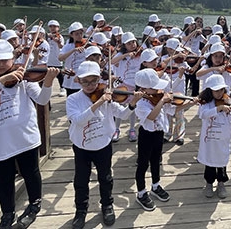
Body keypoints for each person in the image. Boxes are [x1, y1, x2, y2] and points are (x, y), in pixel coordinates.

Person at [0, 39, 59, 228]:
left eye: (4, 60)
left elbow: (42, 100)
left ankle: (34, 205)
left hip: (25, 136)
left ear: (13, 58)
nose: (0, 65)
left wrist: (48, 83)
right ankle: (8, 213)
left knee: (31, 172)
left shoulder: (23, 78)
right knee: (4, 178)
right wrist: (0, 81)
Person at [66, 61, 143, 228]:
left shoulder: (107, 98)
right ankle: (81, 210)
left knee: (106, 178)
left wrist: (132, 103)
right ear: (78, 81)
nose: (90, 85)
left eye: (93, 81)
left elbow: (123, 115)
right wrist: (99, 102)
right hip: (82, 146)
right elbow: (78, 120)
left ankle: (107, 205)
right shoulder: (73, 99)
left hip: (103, 145)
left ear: (99, 80)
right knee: (81, 180)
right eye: (85, 81)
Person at [133, 69, 194, 211]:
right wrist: (161, 101)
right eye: (155, 87)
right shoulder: (141, 103)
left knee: (156, 161)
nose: (159, 90)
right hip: (146, 135)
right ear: (143, 89)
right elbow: (151, 117)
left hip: (158, 134)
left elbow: (172, 110)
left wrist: (191, 103)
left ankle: (155, 185)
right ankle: (141, 193)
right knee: (143, 164)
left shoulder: (158, 97)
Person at [110, 32, 142, 142]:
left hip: (136, 85)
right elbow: (112, 61)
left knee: (132, 108)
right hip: (124, 84)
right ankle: (116, 129)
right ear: (124, 45)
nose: (132, 45)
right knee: (120, 107)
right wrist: (125, 55)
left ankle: (132, 129)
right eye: (129, 43)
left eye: (133, 42)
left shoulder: (140, 54)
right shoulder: (121, 55)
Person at [58, 22, 87, 96]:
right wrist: (73, 50)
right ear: (71, 35)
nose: (80, 36)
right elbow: (60, 58)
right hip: (70, 76)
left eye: (81, 33)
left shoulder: (86, 44)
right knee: (71, 96)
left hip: (82, 75)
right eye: (77, 34)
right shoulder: (68, 46)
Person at [46, 20, 66, 97]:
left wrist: (57, 42)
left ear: (58, 28)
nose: (53, 28)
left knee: (59, 75)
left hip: (56, 59)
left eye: (54, 27)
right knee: (47, 76)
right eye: (51, 27)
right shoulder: (46, 36)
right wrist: (48, 37)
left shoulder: (60, 37)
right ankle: (47, 89)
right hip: (48, 60)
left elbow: (61, 46)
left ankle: (62, 88)